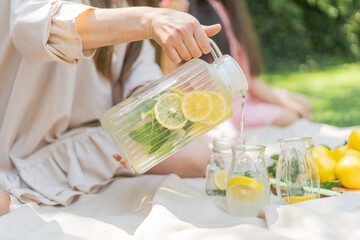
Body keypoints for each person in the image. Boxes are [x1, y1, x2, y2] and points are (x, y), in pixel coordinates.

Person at [0, 0, 220, 205]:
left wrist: (154, 115)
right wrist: (148, 20)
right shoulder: (140, 17)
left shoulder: (124, 6)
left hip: (82, 146)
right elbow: (33, 27)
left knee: (200, 155)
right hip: (14, 152)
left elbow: (140, 82)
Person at [160, 0, 313, 129]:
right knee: (290, 116)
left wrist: (286, 103)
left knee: (303, 103)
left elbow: (250, 80)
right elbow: (169, 72)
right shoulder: (179, 5)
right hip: (217, 103)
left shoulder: (225, 9)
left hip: (243, 94)